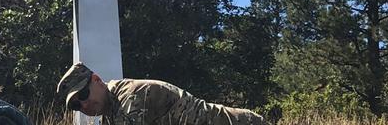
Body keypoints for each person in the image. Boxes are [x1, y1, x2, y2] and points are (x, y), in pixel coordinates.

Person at [56, 62, 267, 125]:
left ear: (96, 80)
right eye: (76, 105)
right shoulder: (110, 114)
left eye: (82, 95)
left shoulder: (132, 95)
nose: (83, 106)